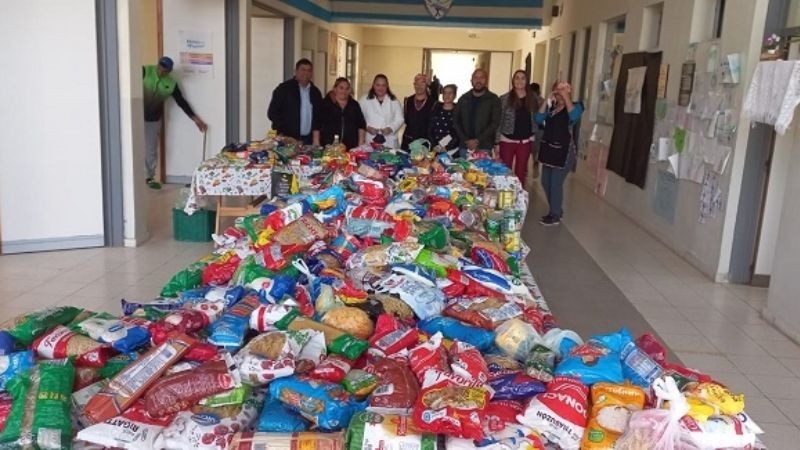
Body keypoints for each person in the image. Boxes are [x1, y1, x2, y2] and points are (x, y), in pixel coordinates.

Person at [142, 56, 207, 190]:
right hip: (134, 117)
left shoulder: (171, 83)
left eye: (165, 70)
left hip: (153, 119)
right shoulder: (144, 71)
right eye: (160, 67)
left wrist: (195, 119)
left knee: (150, 150)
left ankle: (149, 177)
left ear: (169, 71)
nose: (161, 71)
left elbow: (181, 102)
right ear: (157, 64)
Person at [536, 81, 584, 226]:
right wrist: (546, 100)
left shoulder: (577, 105)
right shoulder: (551, 108)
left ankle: (555, 214)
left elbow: (574, 116)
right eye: (558, 89)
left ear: (569, 91)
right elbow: (538, 119)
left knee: (555, 183)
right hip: (549, 151)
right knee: (545, 182)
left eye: (564, 89)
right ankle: (555, 209)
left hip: (564, 152)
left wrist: (565, 97)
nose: (560, 92)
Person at [267, 58, 323, 145]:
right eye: (302, 70)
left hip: (308, 140)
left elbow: (318, 117)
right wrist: (282, 132)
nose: (306, 73)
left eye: (309, 70)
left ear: (312, 73)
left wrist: (316, 139)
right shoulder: (284, 89)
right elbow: (272, 113)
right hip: (287, 139)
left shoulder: (315, 92)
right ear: (296, 71)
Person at [497, 70, 539, 184]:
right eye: (517, 78)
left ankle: (519, 198)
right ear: (513, 80)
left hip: (525, 141)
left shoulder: (534, 98)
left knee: (521, 172)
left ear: (527, 81)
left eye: (523, 78)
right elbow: (499, 121)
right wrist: (496, 142)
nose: (520, 81)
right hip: (507, 140)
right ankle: (505, 198)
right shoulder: (504, 98)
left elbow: (540, 114)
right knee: (505, 171)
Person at [453, 68, 501, 159]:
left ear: (486, 80)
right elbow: (456, 121)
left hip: (484, 146)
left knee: (483, 173)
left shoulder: (493, 99)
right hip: (465, 146)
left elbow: (495, 123)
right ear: (471, 81)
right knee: (464, 172)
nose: (478, 80)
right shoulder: (463, 99)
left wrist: (477, 140)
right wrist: (466, 140)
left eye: (481, 77)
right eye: (475, 78)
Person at [315, 77, 366, 149]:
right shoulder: (325, 104)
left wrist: (360, 146)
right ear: (335, 89)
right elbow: (316, 126)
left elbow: (361, 126)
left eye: (347, 88)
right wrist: (317, 146)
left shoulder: (354, 105)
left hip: (350, 149)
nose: (344, 91)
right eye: (341, 88)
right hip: (328, 149)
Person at [359, 74, 404, 148]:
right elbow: (358, 118)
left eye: (383, 85)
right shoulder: (364, 100)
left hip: (389, 141)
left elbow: (400, 119)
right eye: (378, 85)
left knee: (389, 159)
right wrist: (367, 127)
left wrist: (391, 128)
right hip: (370, 140)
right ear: (373, 85)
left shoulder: (394, 101)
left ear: (387, 86)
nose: (381, 88)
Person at [401, 73, 437, 150]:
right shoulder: (408, 101)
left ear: (427, 85)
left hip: (424, 142)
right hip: (408, 141)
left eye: (422, 83)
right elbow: (406, 120)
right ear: (414, 84)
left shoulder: (434, 103)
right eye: (417, 83)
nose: (419, 86)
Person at [428, 84, 459, 154]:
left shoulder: (459, 112)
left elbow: (458, 133)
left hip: (451, 150)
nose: (447, 95)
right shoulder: (435, 109)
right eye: (445, 93)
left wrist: (448, 147)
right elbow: (430, 129)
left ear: (455, 95)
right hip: (435, 149)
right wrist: (434, 145)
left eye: (450, 93)